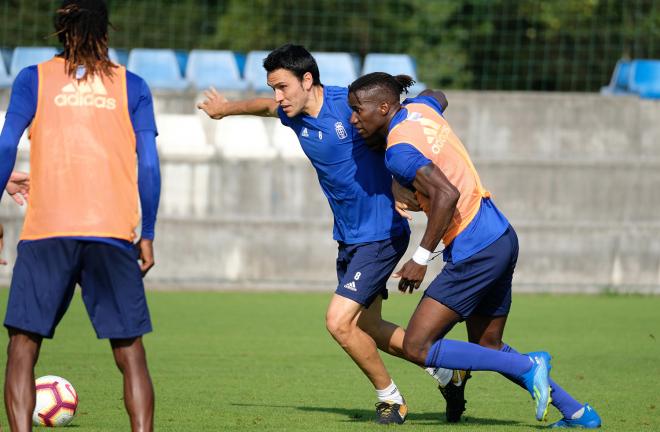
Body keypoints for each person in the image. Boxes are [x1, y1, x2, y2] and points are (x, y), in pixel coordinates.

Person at [198, 44, 466, 424]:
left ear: (308, 80)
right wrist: (224, 110)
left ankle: (390, 399)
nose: (278, 96)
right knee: (369, 327)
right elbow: (264, 106)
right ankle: (446, 372)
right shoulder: (293, 114)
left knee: (339, 322)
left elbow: (402, 122)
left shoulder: (349, 105)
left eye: (283, 87)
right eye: (274, 87)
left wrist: (405, 183)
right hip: (349, 237)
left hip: (381, 234)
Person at [347, 72, 602, 428]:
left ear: (385, 107)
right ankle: (578, 413)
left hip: (476, 249)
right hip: (501, 237)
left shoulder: (398, 151)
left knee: (418, 346)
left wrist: (420, 258)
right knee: (489, 345)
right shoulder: (421, 108)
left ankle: (531, 364)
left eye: (358, 110)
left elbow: (446, 195)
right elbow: (439, 94)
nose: (353, 118)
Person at [0, 1, 161, 431]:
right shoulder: (134, 85)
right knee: (130, 352)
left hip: (47, 231)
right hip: (111, 232)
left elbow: (4, 146)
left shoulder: (33, 78)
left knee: (23, 345)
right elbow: (148, 164)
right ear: (105, 33)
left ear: (60, 31)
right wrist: (146, 232)